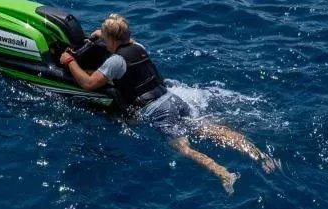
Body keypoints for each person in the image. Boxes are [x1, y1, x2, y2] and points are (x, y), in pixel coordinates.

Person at [57, 13, 278, 194]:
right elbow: (119, 41)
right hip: (172, 99)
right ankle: (260, 156)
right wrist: (100, 34)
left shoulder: (115, 62)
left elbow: (88, 84)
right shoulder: (139, 47)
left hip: (157, 110)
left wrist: (70, 61)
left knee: (183, 148)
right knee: (211, 130)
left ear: (112, 40)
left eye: (106, 39)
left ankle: (223, 173)